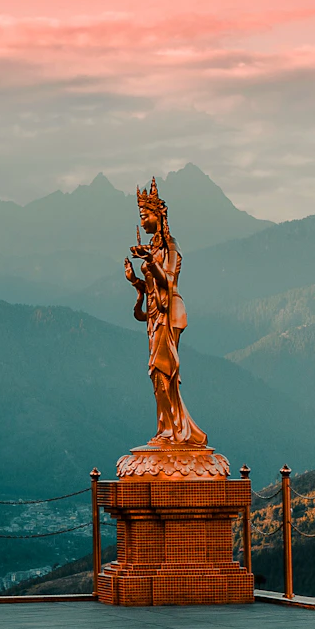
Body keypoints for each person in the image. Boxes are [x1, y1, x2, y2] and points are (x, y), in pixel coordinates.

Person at [123, 180, 207, 447]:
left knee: (164, 370)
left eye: (145, 216)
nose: (143, 221)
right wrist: (135, 280)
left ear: (158, 216)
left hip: (170, 311)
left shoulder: (170, 245)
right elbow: (148, 297)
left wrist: (149, 261)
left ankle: (175, 431)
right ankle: (166, 428)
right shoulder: (155, 249)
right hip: (157, 314)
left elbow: (169, 282)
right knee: (156, 373)